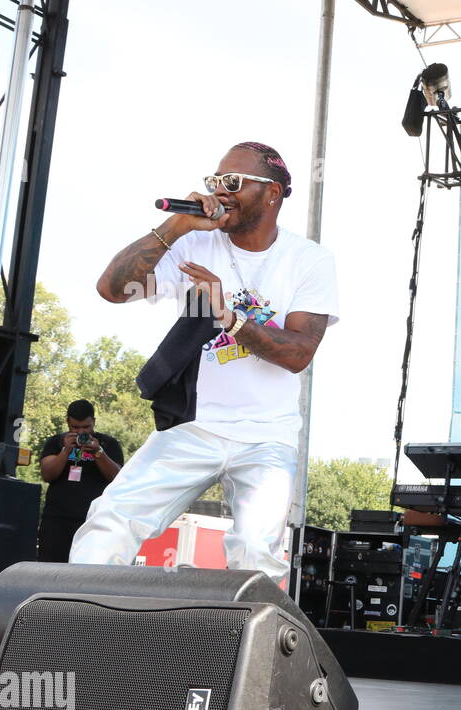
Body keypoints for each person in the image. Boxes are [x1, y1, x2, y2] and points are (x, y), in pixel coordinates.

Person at [72, 142, 338, 583]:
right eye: (214, 182)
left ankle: (255, 649)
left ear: (272, 193)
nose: (220, 191)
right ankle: (75, 636)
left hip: (266, 437)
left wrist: (229, 317)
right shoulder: (195, 241)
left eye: (232, 182)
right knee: (111, 520)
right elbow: (113, 289)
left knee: (256, 550)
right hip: (194, 426)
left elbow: (297, 354)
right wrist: (174, 226)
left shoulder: (309, 260)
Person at [36, 399, 124, 562]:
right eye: (75, 428)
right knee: (50, 567)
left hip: (93, 521)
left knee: (86, 568)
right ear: (68, 422)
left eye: (86, 427)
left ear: (94, 422)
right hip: (57, 521)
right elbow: (47, 474)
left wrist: (98, 452)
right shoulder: (56, 442)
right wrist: (65, 450)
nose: (81, 433)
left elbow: (116, 478)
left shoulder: (108, 444)